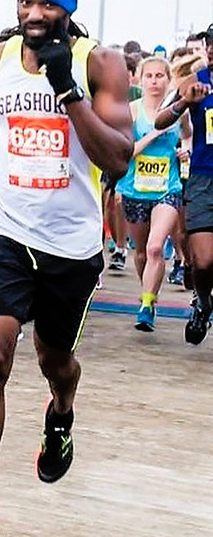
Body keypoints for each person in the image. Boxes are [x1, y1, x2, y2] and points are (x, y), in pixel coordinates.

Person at [0, 0, 132, 537]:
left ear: (69, 8)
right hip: (5, 230)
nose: (34, 15)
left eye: (48, 5)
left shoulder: (98, 64)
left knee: (56, 358)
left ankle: (62, 411)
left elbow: (118, 159)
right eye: (27, 2)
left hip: (72, 243)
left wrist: (69, 92)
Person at [115, 57, 188, 332]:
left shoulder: (178, 111)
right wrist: (153, 134)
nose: (155, 81)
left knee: (156, 247)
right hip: (135, 189)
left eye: (160, 76)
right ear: (141, 79)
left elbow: (189, 135)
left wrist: (185, 150)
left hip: (167, 189)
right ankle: (147, 291)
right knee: (143, 253)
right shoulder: (132, 111)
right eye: (150, 76)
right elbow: (126, 151)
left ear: (168, 80)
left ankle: (147, 305)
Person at [152, 47, 213, 343]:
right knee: (203, 261)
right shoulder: (194, 81)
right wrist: (185, 103)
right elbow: (160, 121)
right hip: (203, 178)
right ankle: (202, 303)